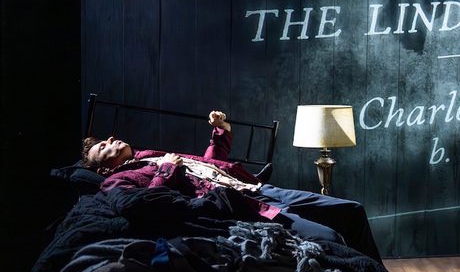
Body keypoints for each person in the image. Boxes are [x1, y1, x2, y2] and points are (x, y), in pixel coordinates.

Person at [81, 110, 381, 260]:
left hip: (258, 189)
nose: (110, 140)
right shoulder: (118, 180)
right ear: (104, 167)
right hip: (247, 206)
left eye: (107, 139)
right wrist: (168, 169)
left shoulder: (151, 155)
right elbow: (146, 203)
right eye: (103, 148)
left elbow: (208, 166)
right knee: (328, 237)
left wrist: (221, 132)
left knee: (352, 210)